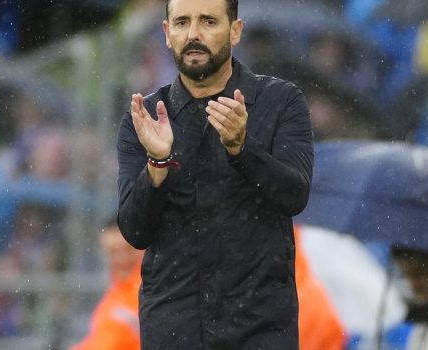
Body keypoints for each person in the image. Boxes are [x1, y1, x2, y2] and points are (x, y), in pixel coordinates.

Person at [116, 0, 314, 348]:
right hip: (174, 330)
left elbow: (295, 195)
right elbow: (134, 230)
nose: (193, 34)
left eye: (208, 21)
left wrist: (242, 149)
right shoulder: (143, 117)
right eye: (181, 22)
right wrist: (157, 164)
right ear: (166, 33)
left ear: (235, 30)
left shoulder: (281, 101)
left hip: (259, 329)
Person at [72, 220, 143, 350]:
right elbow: (97, 342)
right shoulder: (116, 292)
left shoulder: (148, 290)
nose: (122, 258)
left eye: (128, 249)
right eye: (112, 252)